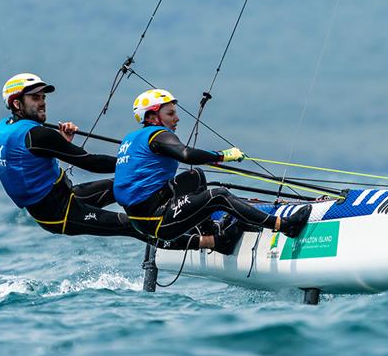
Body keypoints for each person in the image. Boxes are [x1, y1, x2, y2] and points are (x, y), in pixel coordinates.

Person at [0, 73, 218, 251]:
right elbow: (90, 163)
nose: (42, 103)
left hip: (63, 197)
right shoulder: (38, 135)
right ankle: (207, 242)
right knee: (131, 224)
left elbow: (29, 159)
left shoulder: (3, 129)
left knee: (123, 186)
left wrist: (62, 142)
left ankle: (178, 214)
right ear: (17, 103)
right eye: (35, 98)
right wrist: (137, 160)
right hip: (60, 214)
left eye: (43, 97)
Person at [113, 89, 311, 252]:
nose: (177, 118)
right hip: (157, 221)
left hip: (144, 217)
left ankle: (212, 235)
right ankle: (285, 226)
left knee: (194, 176)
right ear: (152, 116)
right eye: (170, 114)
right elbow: (186, 155)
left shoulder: (131, 139)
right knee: (219, 196)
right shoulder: (158, 134)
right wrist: (223, 155)